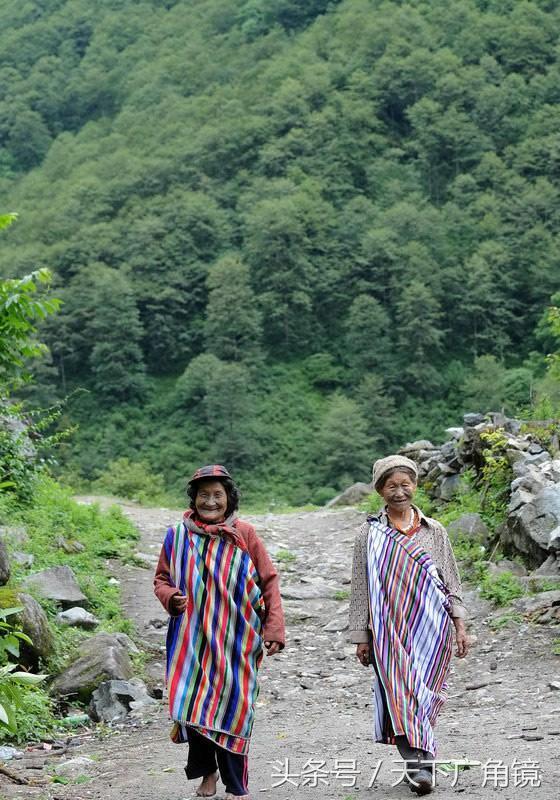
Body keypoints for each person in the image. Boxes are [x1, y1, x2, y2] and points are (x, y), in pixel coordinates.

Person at [154, 464, 285, 800]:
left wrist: (274, 627)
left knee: (235, 708)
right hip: (192, 639)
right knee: (196, 706)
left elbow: (268, 581)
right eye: (203, 495)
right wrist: (171, 597)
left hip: (237, 640)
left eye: (217, 495)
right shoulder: (177, 536)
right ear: (193, 498)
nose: (210, 501)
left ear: (229, 498)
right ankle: (207, 773)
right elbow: (161, 579)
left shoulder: (245, 535)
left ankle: (236, 786)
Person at [349, 455, 469, 796]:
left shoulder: (435, 531)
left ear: (415, 486)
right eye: (391, 486)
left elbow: (451, 583)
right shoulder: (369, 535)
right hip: (389, 633)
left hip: (433, 631)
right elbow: (361, 587)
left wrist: (460, 627)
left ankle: (417, 765)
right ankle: (420, 767)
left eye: (406, 484)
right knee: (401, 696)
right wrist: (362, 636)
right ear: (380, 491)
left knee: (426, 697)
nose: (400, 492)